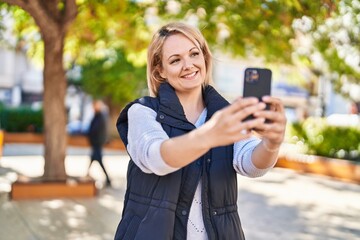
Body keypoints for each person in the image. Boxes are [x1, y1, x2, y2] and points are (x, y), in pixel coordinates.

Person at [115, 22, 286, 240]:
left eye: (194, 54)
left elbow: (250, 164)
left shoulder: (224, 114)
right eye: (175, 60)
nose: (188, 65)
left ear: (204, 57)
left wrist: (272, 143)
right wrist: (210, 135)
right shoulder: (143, 112)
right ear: (160, 71)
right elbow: (155, 157)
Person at [87, 99, 111, 187]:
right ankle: (87, 174)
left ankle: (108, 180)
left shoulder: (100, 116)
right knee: (93, 159)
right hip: (96, 143)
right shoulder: (97, 116)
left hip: (97, 143)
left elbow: (96, 130)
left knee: (98, 161)